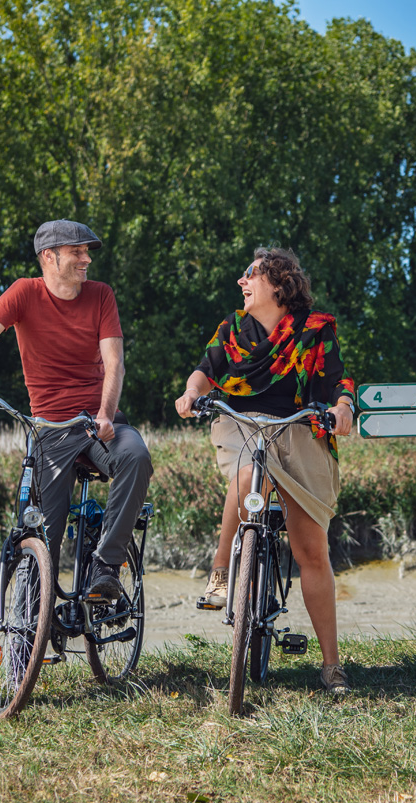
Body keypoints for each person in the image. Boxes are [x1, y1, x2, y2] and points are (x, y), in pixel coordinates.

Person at [0, 220, 153, 601]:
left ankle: (105, 566)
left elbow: (114, 364)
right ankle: (28, 640)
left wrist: (105, 413)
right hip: (50, 430)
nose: (87, 259)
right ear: (49, 256)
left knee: (135, 456)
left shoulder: (101, 295)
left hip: (96, 424)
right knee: (42, 539)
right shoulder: (24, 293)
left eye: (88, 251)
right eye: (78, 252)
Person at [174, 247, 356, 695]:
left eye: (250, 274)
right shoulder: (232, 329)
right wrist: (189, 394)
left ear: (279, 283)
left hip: (297, 429)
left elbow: (339, 380)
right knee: (245, 474)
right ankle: (220, 572)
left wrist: (344, 407)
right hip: (240, 425)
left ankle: (332, 666)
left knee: (311, 551)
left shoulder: (315, 330)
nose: (241, 281)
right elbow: (205, 371)